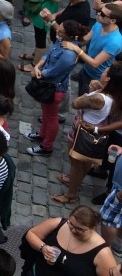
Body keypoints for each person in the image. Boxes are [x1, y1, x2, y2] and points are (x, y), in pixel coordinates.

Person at [55, 62, 122, 205]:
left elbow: (76, 103)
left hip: (82, 132)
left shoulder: (98, 98)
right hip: (97, 133)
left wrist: (91, 90)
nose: (103, 72)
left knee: (76, 163)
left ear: (109, 79)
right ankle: (75, 182)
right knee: (85, 162)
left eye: (105, 71)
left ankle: (70, 194)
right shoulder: (116, 97)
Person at [25, 20, 84, 157]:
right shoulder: (62, 41)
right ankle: (42, 134)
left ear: (69, 35)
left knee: (51, 117)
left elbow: (54, 72)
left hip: (54, 88)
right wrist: (38, 65)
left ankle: (47, 146)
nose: (58, 30)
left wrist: (38, 72)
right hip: (48, 83)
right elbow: (48, 53)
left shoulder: (69, 54)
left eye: (61, 30)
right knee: (46, 113)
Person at [26, 205, 116, 276]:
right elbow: (31, 234)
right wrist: (43, 247)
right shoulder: (59, 224)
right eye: (71, 224)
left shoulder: (102, 253)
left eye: (80, 229)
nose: (73, 230)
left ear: (92, 228)